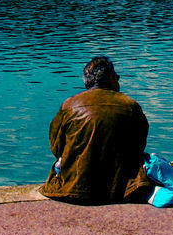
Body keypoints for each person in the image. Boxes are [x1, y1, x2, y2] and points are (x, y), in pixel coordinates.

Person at [40, 55, 151, 204]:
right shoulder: (130, 106)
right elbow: (138, 146)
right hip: (120, 189)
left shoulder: (69, 105)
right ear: (111, 78)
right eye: (117, 77)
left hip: (73, 188)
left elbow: (57, 148)